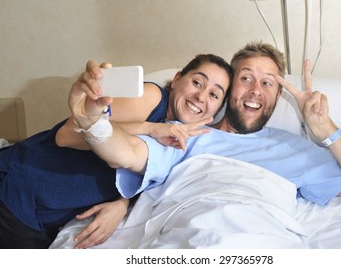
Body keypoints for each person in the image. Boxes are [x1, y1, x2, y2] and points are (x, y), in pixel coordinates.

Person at [69, 41, 341, 225]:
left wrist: (325, 128)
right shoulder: (187, 134)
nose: (255, 91)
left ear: (278, 97)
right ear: (228, 89)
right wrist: (93, 121)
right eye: (246, 78)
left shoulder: (297, 150)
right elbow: (125, 152)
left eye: (268, 83)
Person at [0, 54, 232, 249]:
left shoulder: (184, 139)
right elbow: (67, 135)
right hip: (18, 185)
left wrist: (122, 203)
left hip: (43, 216)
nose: (201, 96)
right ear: (177, 78)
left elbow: (149, 182)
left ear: (217, 111)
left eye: (214, 94)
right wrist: (149, 128)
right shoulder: (152, 97)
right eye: (197, 82)